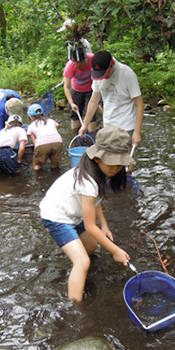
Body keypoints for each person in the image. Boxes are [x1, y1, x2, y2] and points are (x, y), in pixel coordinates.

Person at [39, 126, 133, 302]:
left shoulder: (99, 173)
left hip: (74, 213)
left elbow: (95, 202)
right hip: (56, 215)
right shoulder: (88, 181)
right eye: (113, 163)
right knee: (83, 262)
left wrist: (104, 226)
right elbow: (90, 226)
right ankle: (73, 309)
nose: (116, 169)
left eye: (120, 165)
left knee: (92, 248)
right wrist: (115, 250)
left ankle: (75, 254)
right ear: (97, 158)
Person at [79, 51, 144, 151]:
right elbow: (93, 101)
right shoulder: (98, 75)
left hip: (126, 125)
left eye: (104, 74)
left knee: (124, 160)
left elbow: (139, 104)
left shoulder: (127, 74)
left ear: (111, 65)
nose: (102, 77)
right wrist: (85, 124)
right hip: (108, 124)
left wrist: (137, 132)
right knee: (107, 158)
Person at [63, 43, 98, 132]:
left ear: (86, 59)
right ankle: (75, 135)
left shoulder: (93, 59)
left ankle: (91, 137)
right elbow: (66, 86)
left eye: (82, 62)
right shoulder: (70, 66)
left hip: (91, 89)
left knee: (91, 113)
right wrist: (71, 103)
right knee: (75, 114)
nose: (80, 65)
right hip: (77, 90)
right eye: (77, 63)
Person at [26, 103, 62, 171]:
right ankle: (55, 176)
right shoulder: (51, 121)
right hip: (58, 142)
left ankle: (39, 178)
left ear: (30, 117)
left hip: (41, 144)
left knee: (36, 164)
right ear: (43, 114)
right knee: (55, 164)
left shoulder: (31, 126)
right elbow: (56, 130)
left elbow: (35, 143)